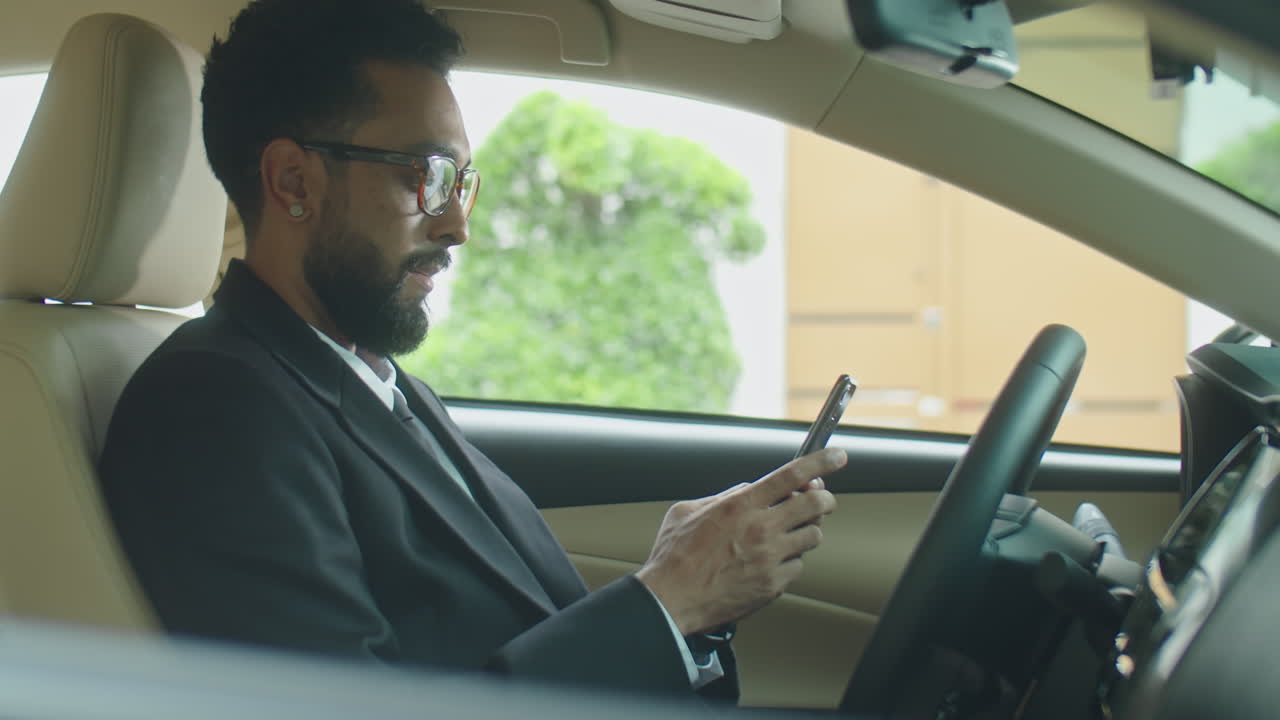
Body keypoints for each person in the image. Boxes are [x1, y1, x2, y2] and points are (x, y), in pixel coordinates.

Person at [98, 0, 843, 701]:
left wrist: (684, 598)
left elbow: (528, 636)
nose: (456, 224)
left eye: (461, 182)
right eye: (424, 177)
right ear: (294, 180)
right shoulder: (214, 408)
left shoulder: (382, 388)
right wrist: (667, 599)